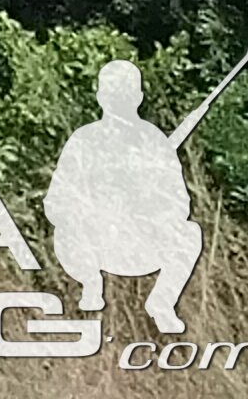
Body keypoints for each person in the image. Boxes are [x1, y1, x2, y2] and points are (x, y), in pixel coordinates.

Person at [43, 59, 204, 336]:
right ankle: (91, 284)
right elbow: (55, 201)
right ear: (101, 97)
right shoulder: (83, 140)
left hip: (139, 244)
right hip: (92, 245)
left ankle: (162, 302)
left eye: (126, 94)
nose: (119, 100)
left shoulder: (153, 141)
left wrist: (147, 204)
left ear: (138, 98)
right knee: (66, 231)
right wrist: (90, 210)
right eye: (113, 93)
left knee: (190, 234)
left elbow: (180, 205)